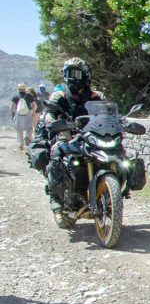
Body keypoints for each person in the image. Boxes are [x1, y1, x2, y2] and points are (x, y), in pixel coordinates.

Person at [42, 58, 103, 210]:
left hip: (92, 136)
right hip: (67, 135)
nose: (73, 77)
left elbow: (107, 113)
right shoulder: (60, 95)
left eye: (76, 73)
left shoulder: (96, 96)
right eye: (69, 73)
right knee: (57, 154)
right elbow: (49, 113)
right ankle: (55, 196)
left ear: (86, 74)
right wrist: (53, 122)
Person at [9, 83, 34, 151]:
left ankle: (21, 144)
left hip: (18, 114)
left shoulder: (15, 96)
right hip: (28, 113)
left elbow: (12, 107)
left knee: (18, 129)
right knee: (29, 128)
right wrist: (33, 112)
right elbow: (33, 105)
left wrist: (12, 114)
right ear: (25, 89)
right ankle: (27, 137)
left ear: (18, 89)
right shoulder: (29, 95)